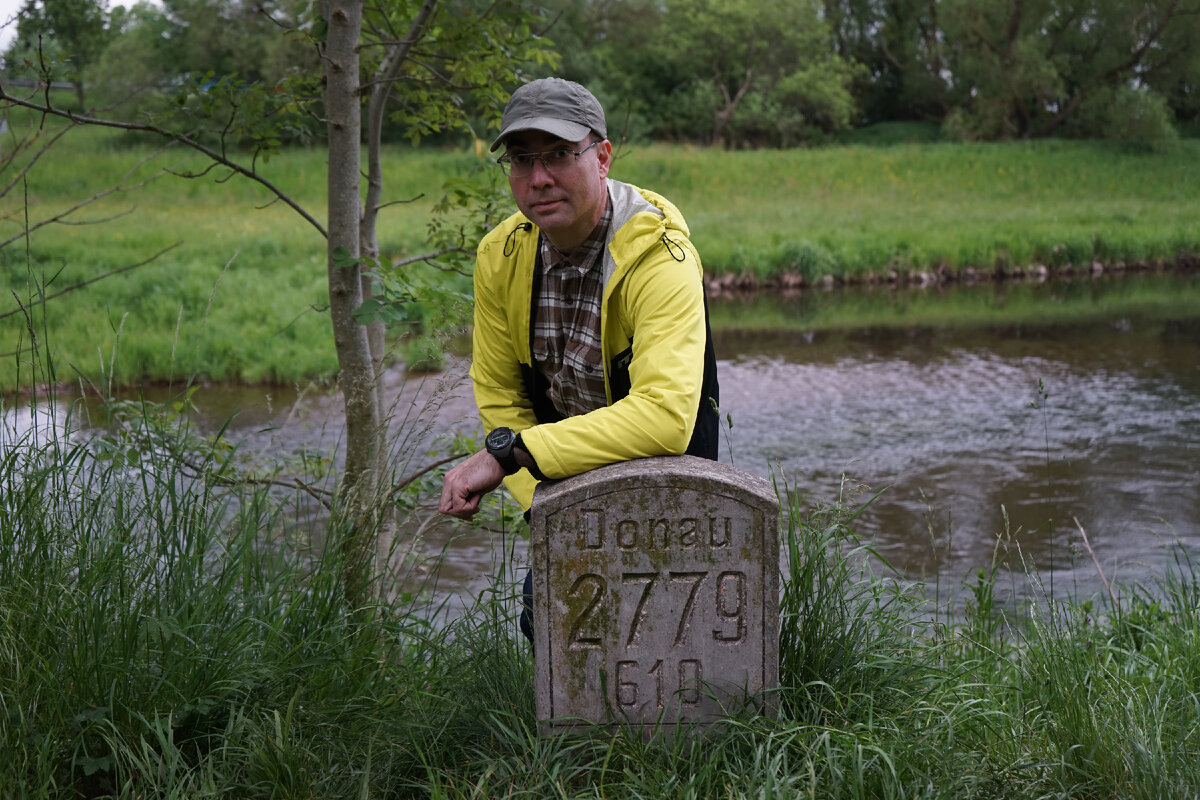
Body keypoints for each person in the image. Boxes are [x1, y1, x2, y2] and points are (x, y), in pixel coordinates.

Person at [438, 77, 719, 636]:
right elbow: (500, 394)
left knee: (678, 634)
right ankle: (573, 729)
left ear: (603, 157)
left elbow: (664, 418)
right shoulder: (501, 254)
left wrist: (514, 453)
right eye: (522, 160)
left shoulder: (662, 256)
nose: (539, 178)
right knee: (547, 621)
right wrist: (539, 504)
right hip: (560, 478)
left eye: (561, 155)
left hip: (667, 474)